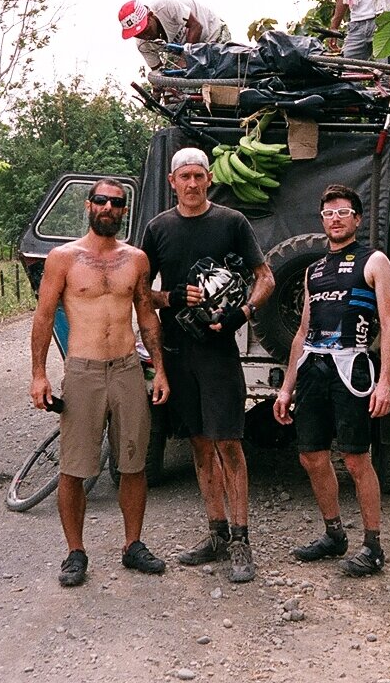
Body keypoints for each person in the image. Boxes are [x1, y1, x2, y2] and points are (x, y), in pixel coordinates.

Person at [141, 147, 274, 584]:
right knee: (199, 444)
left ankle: (241, 541)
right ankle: (216, 534)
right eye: (186, 177)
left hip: (219, 352)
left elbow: (265, 277)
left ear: (209, 178)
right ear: (173, 181)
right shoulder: (158, 229)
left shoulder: (231, 223)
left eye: (200, 176)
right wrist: (173, 297)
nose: (193, 184)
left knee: (229, 444)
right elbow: (144, 295)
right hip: (180, 352)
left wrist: (241, 315)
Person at [29, 178, 171, 588]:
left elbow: (146, 316)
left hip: (127, 369)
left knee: (134, 463)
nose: (109, 207)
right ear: (89, 205)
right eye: (101, 201)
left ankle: (133, 545)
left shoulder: (137, 259)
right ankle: (75, 552)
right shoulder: (63, 258)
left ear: (124, 211)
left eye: (117, 203)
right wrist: (39, 374)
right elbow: (42, 317)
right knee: (75, 468)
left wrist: (159, 369)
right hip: (84, 370)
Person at [273, 183, 390, 577]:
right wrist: (286, 387)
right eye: (328, 213)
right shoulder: (313, 270)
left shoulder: (375, 261)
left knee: (356, 458)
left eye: (343, 212)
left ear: (357, 219)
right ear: (322, 220)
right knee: (311, 455)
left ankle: (373, 545)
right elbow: (302, 331)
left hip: (352, 366)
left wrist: (386, 383)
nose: (335, 218)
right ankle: (333, 534)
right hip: (313, 365)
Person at [119, 0, 233, 70]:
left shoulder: (165, 6)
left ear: (150, 15)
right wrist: (159, 89)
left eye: (146, 29)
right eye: (139, 34)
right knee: (173, 87)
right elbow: (157, 71)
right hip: (185, 50)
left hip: (212, 35)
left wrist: (185, 60)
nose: (145, 36)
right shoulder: (142, 44)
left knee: (222, 74)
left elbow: (196, 26)